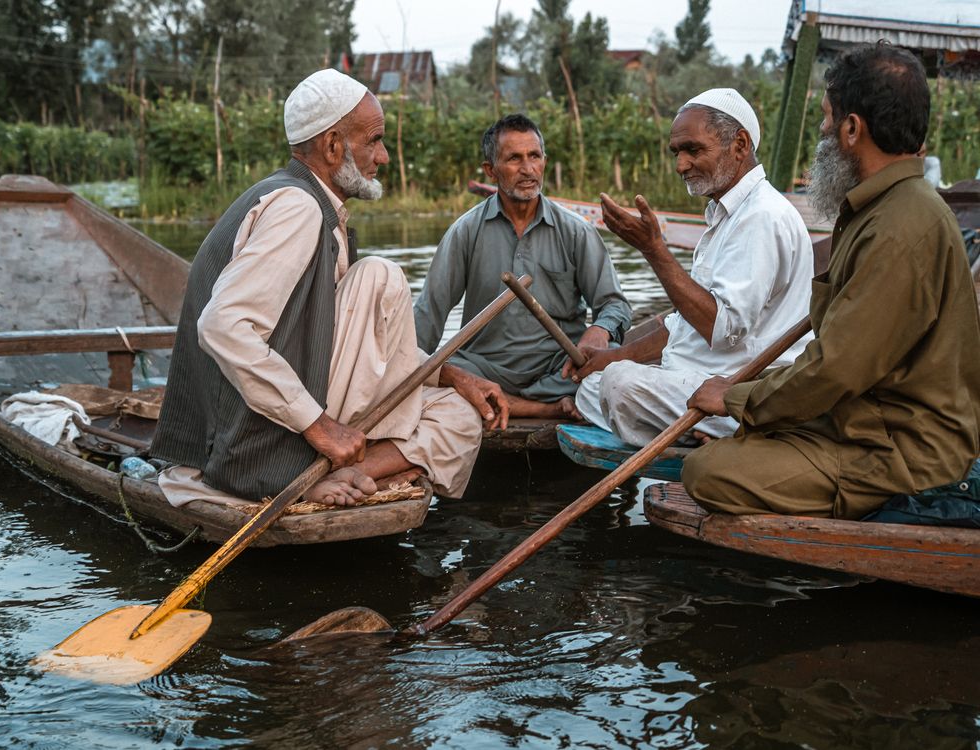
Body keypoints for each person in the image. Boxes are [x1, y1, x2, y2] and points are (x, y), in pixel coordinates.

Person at [151, 69, 509, 508]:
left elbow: (353, 335)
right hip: (245, 440)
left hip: (264, 418)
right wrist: (320, 427)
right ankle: (300, 474)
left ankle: (349, 470)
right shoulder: (297, 208)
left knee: (457, 413)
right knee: (380, 275)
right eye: (374, 140)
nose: (384, 156)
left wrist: (451, 375)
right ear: (333, 145)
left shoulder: (303, 203)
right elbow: (223, 327)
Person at [683, 43, 980, 519]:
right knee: (742, 439)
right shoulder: (887, 208)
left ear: (851, 129)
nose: (822, 131)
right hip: (866, 423)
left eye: (826, 120)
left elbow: (837, 368)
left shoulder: (900, 226)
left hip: (902, 452)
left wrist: (737, 399)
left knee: (708, 471)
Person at [567, 88, 813, 446]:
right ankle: (672, 428)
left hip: (739, 390)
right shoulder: (722, 215)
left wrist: (655, 251)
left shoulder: (762, 216)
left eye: (693, 149)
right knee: (592, 384)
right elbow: (685, 324)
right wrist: (609, 356)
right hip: (691, 378)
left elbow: (721, 328)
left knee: (618, 385)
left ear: (740, 145)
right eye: (677, 152)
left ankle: (715, 431)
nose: (681, 164)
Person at [413, 114, 631, 420]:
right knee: (437, 384)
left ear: (544, 161)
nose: (528, 169)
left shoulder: (575, 231)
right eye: (514, 159)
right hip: (485, 368)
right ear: (491, 170)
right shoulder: (465, 232)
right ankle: (545, 410)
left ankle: (517, 403)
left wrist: (599, 329)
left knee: (609, 378)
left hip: (559, 371)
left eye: (534, 156)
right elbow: (428, 312)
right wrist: (410, 370)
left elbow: (615, 306)